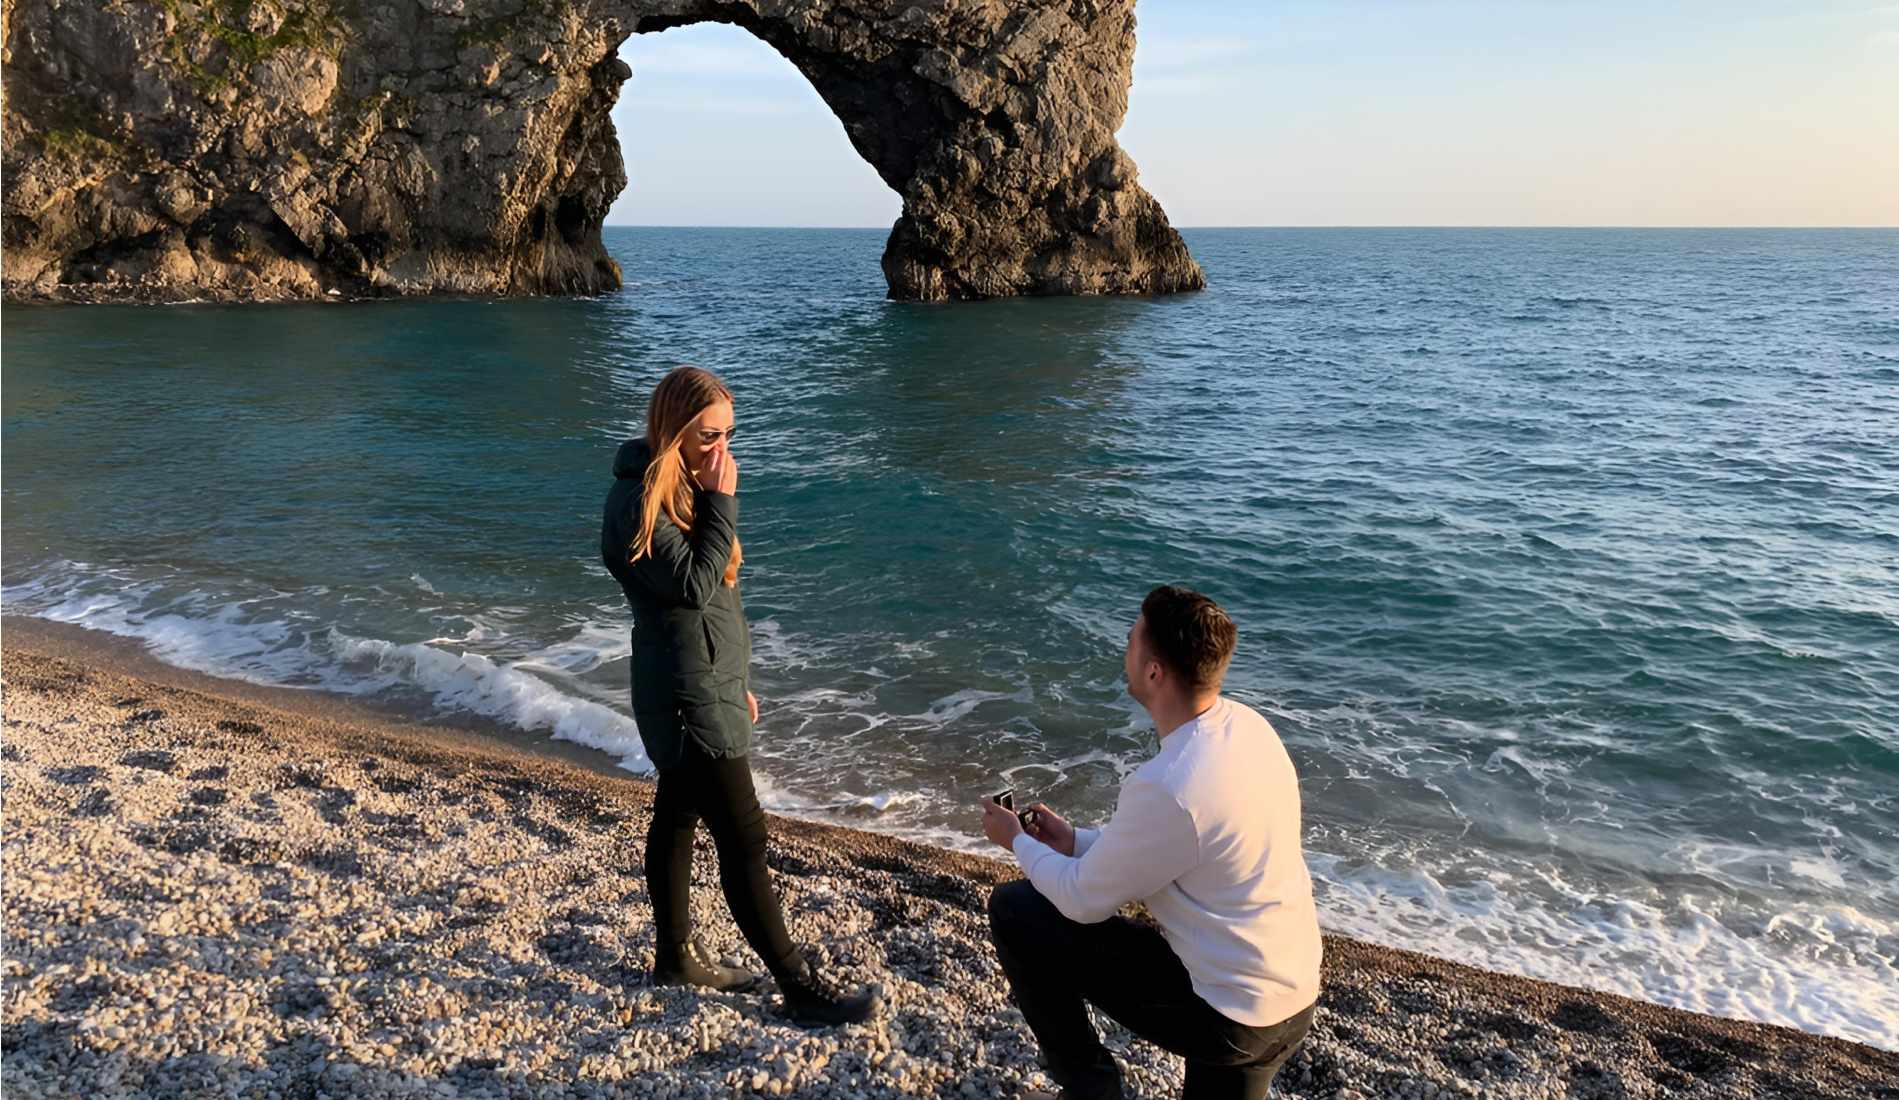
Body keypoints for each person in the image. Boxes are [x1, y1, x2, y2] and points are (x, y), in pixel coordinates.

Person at [601, 365, 878, 1027]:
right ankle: (798, 986)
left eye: (728, 434)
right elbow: (693, 588)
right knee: (745, 837)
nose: (722, 449)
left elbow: (713, 608)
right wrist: (723, 501)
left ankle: (675, 958)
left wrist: (736, 684)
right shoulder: (638, 503)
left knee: (677, 815)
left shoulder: (682, 488)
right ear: (673, 431)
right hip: (684, 694)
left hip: (704, 683)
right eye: (709, 435)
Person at [981, 586, 1321, 1099]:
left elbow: (1081, 901)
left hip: (1227, 1017)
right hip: (1288, 999)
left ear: (1155, 672)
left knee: (1017, 909)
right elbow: (1179, 848)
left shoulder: (1170, 784)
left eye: (1131, 639)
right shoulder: (1248, 728)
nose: (1125, 647)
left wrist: (1017, 842)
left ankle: (1090, 1091)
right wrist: (1072, 841)